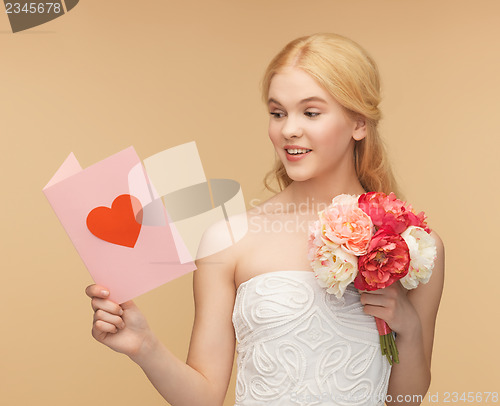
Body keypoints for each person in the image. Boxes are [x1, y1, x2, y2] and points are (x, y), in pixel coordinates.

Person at [85, 32, 445, 406]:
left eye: (310, 112)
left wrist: (409, 327)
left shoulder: (413, 247)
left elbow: (406, 401)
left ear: (359, 123)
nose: (288, 129)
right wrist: (144, 345)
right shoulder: (228, 238)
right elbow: (205, 397)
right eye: (277, 113)